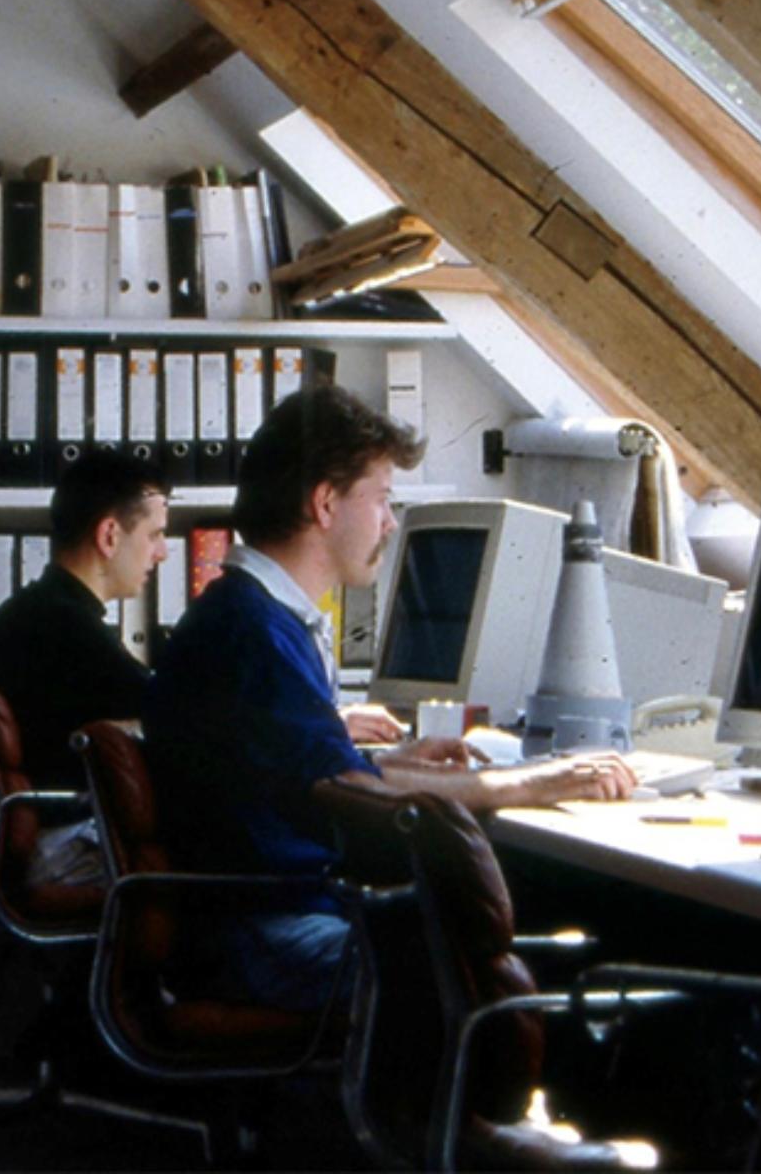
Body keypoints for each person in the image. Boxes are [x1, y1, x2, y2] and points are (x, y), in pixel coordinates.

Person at [143, 383, 635, 1012]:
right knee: (529, 966)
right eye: (382, 499)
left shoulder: (249, 615)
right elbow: (347, 788)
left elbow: (310, 769)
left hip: (246, 917)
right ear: (325, 503)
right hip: (264, 937)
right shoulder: (255, 633)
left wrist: (400, 765)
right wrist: (531, 784)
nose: (390, 522)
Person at [0, 446, 170, 881]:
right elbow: (168, 709)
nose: (162, 553)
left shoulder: (32, 610)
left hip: (62, 832)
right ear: (109, 536)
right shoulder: (64, 626)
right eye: (155, 535)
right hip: (68, 846)